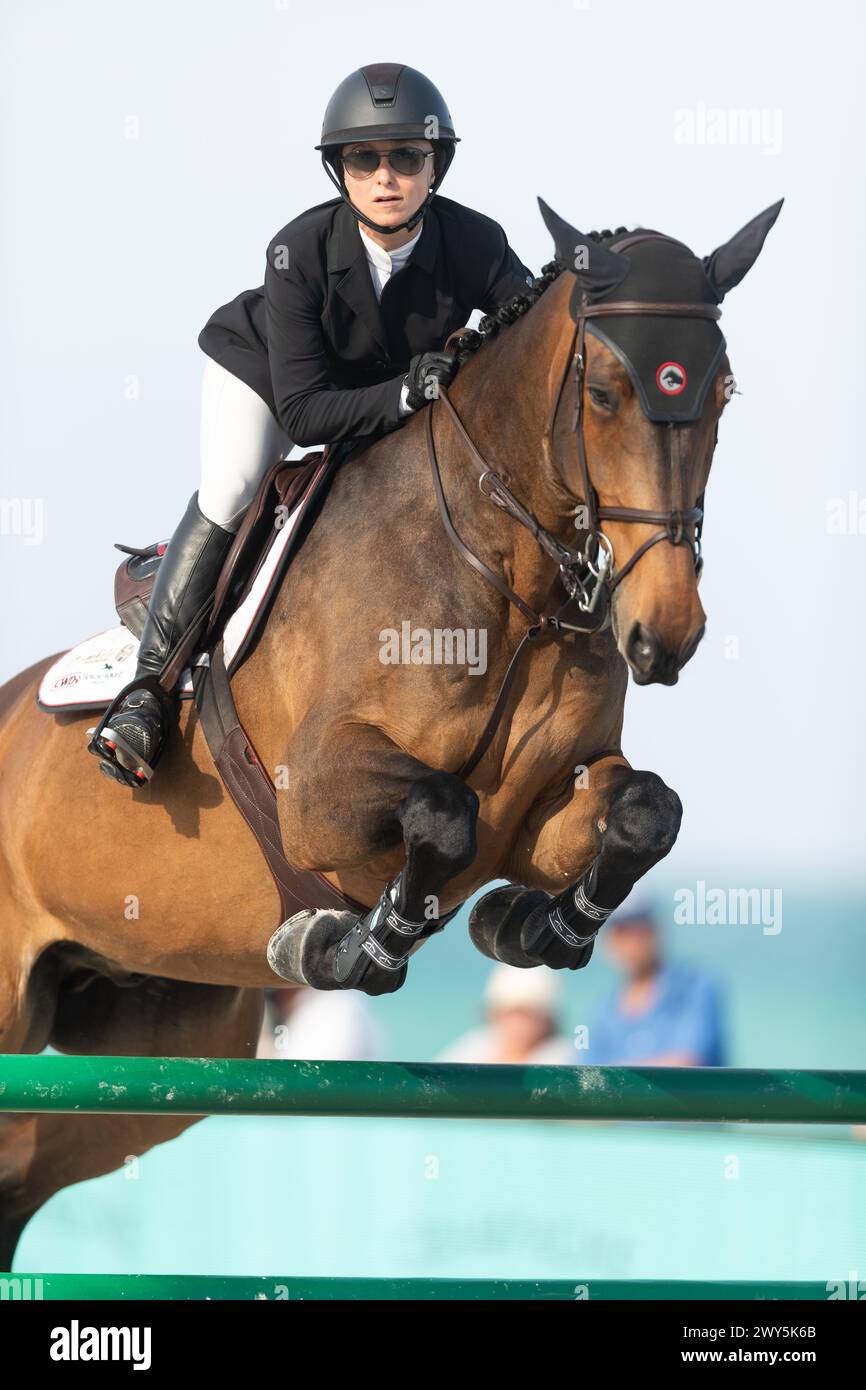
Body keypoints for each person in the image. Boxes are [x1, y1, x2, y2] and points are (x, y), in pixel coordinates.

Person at [88, 62, 534, 788]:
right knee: (234, 486)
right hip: (269, 378)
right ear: (340, 172)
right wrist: (404, 395)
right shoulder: (295, 251)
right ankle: (146, 695)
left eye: (406, 158)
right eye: (364, 159)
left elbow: (529, 328)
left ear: (436, 167)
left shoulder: (477, 242)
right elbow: (304, 412)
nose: (385, 177)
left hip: (383, 392)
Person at [582, 895, 727, 1066]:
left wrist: (619, 1076)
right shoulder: (606, 1010)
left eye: (639, 929)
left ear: (655, 931)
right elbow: (585, 1072)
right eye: (621, 932)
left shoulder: (693, 987)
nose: (631, 943)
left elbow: (688, 1061)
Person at [436, 964, 574, 1064]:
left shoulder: (562, 1057)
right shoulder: (477, 1045)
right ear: (494, 1014)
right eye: (511, 1013)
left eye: (527, 1014)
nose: (518, 1024)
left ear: (547, 1020)